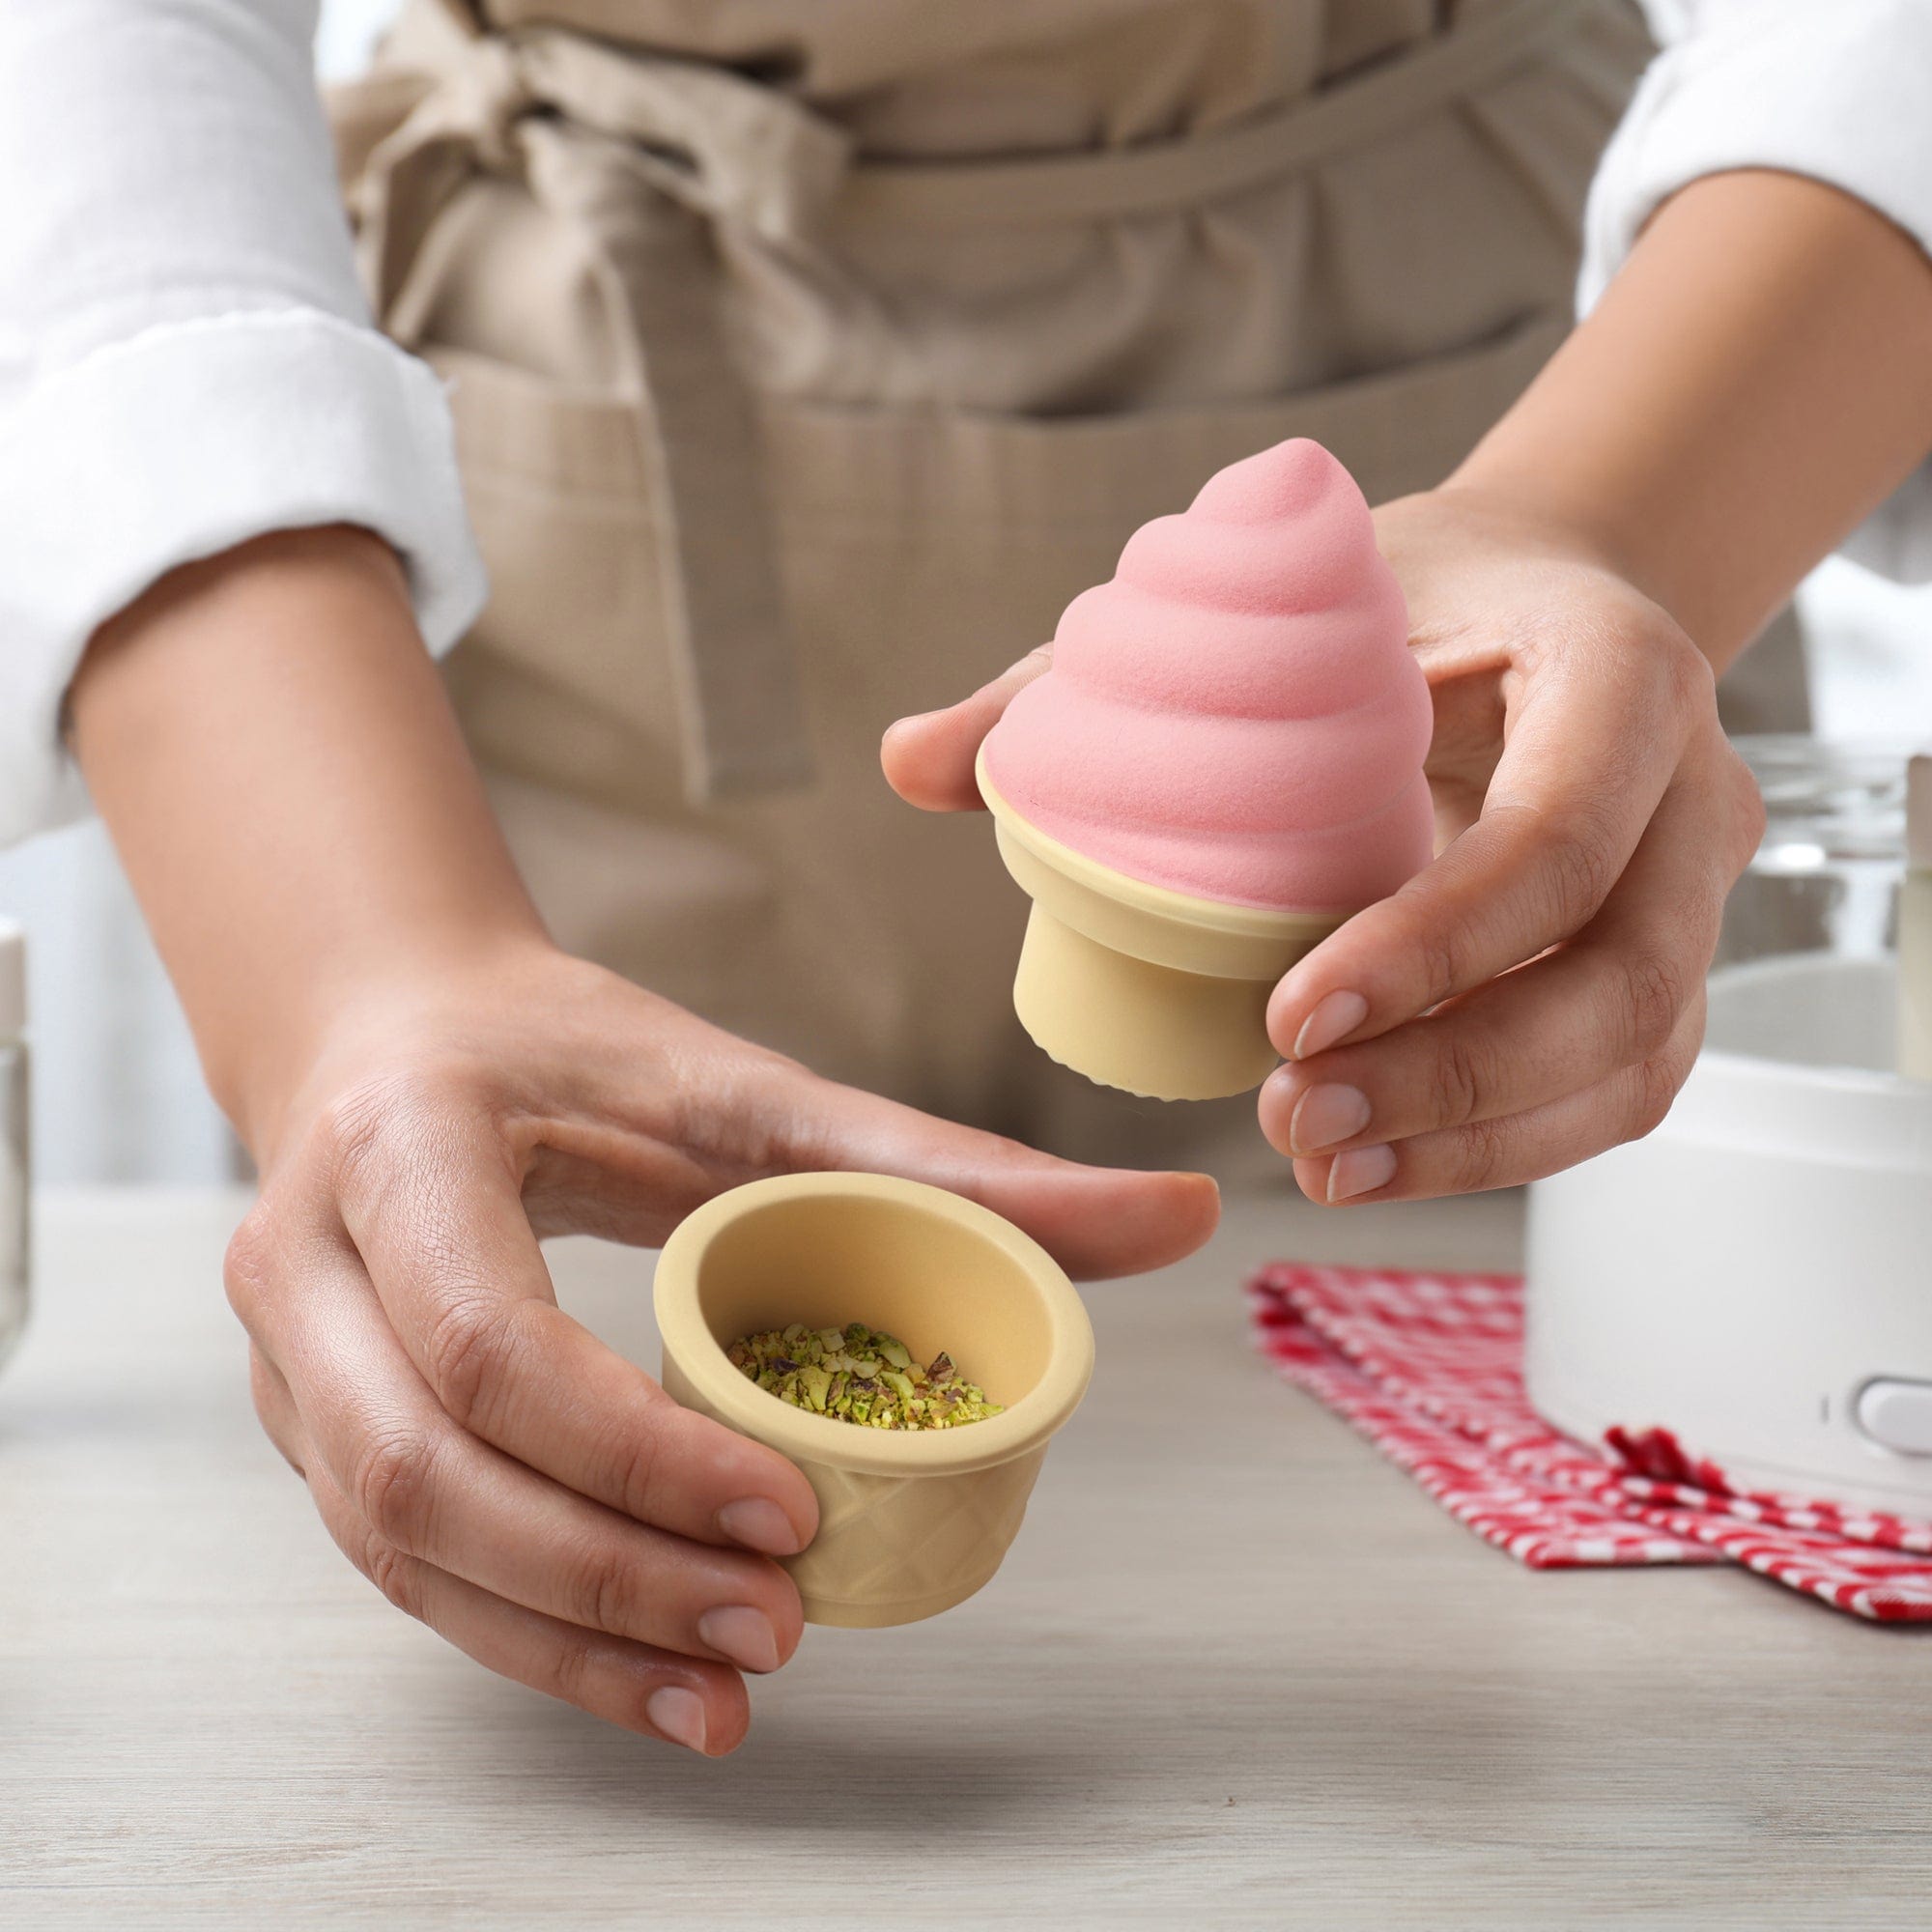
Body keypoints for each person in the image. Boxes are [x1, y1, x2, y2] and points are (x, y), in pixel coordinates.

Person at [2, 0, 1929, 1754]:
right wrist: (361, 969)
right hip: (544, 510)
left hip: (1567, 433)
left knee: (1619, 1663)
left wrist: (1589, 513)